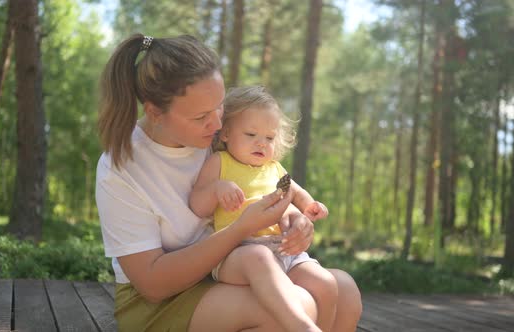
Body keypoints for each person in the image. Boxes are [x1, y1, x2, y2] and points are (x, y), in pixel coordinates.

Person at [95, 33, 362, 332]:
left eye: (220, 106)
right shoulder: (120, 168)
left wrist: (296, 221)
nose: (219, 124)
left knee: (345, 291)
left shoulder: (218, 137)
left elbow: (262, 183)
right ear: (155, 113)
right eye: (201, 117)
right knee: (293, 309)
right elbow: (153, 284)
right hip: (160, 300)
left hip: (230, 270)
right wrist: (241, 229)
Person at [189, 86, 334, 332]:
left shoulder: (275, 168)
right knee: (260, 258)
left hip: (283, 248)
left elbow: (298, 195)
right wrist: (217, 189)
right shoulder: (220, 162)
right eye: (251, 134)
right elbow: (197, 205)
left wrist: (312, 206)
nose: (261, 144)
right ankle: (303, 328)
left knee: (326, 283)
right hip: (237, 252)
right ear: (225, 133)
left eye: (269, 138)